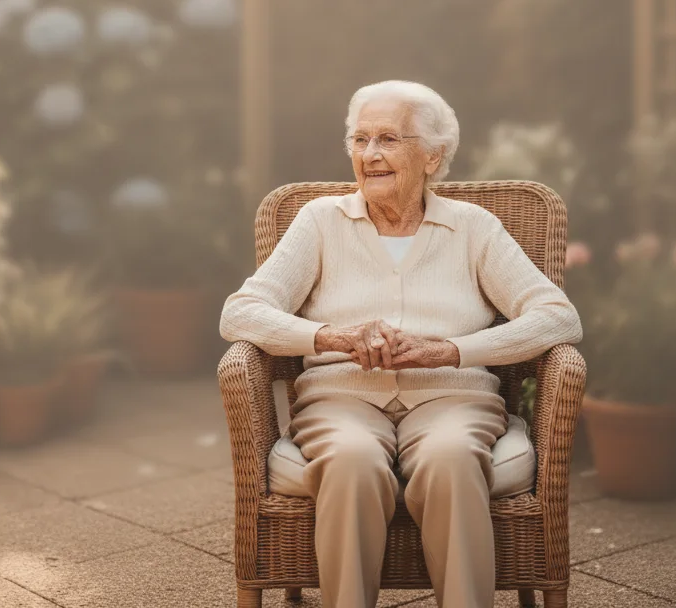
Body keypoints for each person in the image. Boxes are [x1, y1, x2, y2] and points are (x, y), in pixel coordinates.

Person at [219, 79, 582, 608]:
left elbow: (557, 318)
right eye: (360, 140)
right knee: (349, 460)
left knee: (453, 458)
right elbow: (241, 312)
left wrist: (452, 351)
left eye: (388, 139)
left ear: (433, 156)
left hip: (453, 396)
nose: (370, 155)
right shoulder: (320, 221)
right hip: (342, 397)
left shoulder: (474, 228)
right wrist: (331, 337)